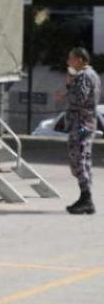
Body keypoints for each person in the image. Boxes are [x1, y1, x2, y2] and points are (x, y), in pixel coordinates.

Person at [64, 47, 101, 215]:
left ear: (79, 59)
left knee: (78, 160)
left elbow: (79, 98)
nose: (68, 62)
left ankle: (86, 199)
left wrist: (69, 85)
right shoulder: (92, 74)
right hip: (86, 123)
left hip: (80, 124)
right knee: (84, 159)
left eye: (71, 58)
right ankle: (85, 197)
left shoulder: (83, 76)